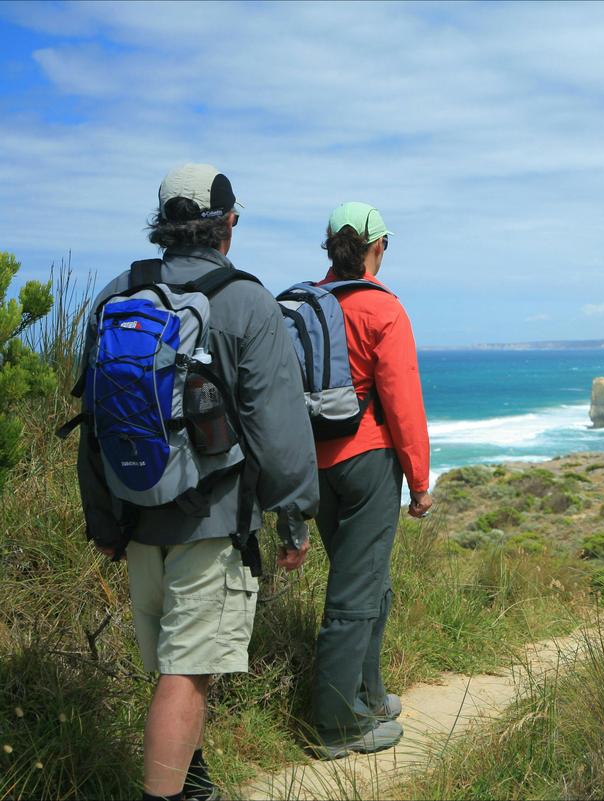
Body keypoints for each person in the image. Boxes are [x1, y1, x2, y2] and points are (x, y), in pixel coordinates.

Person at [74, 163, 319, 801]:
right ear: (226, 225)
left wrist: (102, 519)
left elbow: (93, 423)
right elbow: (280, 430)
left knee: (168, 666)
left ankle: (194, 783)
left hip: (135, 512)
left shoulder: (117, 294)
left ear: (164, 226)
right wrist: (295, 517)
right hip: (213, 523)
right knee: (186, 675)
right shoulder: (246, 301)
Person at [309, 201, 432, 759]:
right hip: (367, 461)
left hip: (313, 465)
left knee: (368, 579)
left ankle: (371, 697)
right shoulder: (383, 309)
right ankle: (337, 727)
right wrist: (419, 480)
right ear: (378, 246)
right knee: (355, 592)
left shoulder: (305, 304)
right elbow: (403, 403)